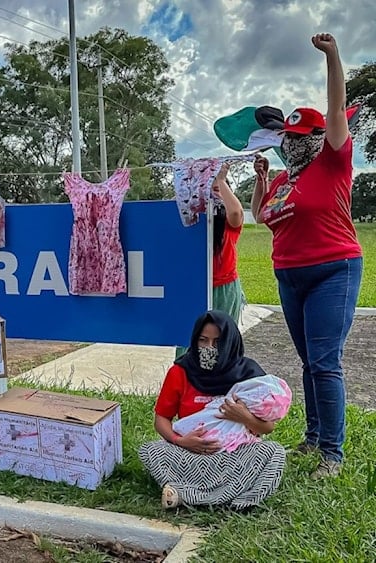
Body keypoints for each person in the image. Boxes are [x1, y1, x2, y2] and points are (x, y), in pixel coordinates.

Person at [250, 33, 362, 479]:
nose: (293, 143)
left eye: (301, 136)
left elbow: (336, 109)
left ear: (318, 137)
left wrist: (333, 56)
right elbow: (262, 216)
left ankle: (331, 453)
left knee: (324, 362)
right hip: (289, 276)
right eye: (288, 137)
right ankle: (313, 437)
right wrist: (261, 178)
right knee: (307, 362)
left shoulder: (332, 162)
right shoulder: (283, 180)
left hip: (333, 269)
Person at [139, 311, 287, 510]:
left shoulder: (249, 374)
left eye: (217, 342)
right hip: (190, 454)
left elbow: (267, 428)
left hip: (235, 454)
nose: (209, 348)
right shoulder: (181, 371)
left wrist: (243, 417)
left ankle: (190, 494)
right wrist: (181, 441)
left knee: (273, 452)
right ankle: (227, 493)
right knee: (151, 450)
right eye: (203, 340)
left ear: (230, 342)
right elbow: (161, 419)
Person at [175, 163, 248, 359]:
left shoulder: (228, 223)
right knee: (190, 340)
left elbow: (236, 213)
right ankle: (188, 382)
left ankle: (220, 382)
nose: (215, 192)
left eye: (220, 189)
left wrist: (221, 180)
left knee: (221, 340)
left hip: (224, 288)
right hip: (195, 288)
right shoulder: (193, 219)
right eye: (210, 186)